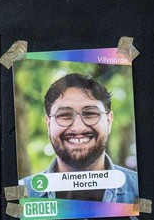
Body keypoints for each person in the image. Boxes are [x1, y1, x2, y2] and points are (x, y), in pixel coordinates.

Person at [20, 73, 138, 204]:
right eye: (64, 115)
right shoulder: (21, 196)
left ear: (109, 121)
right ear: (48, 124)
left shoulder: (141, 191)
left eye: (90, 113)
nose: (78, 128)